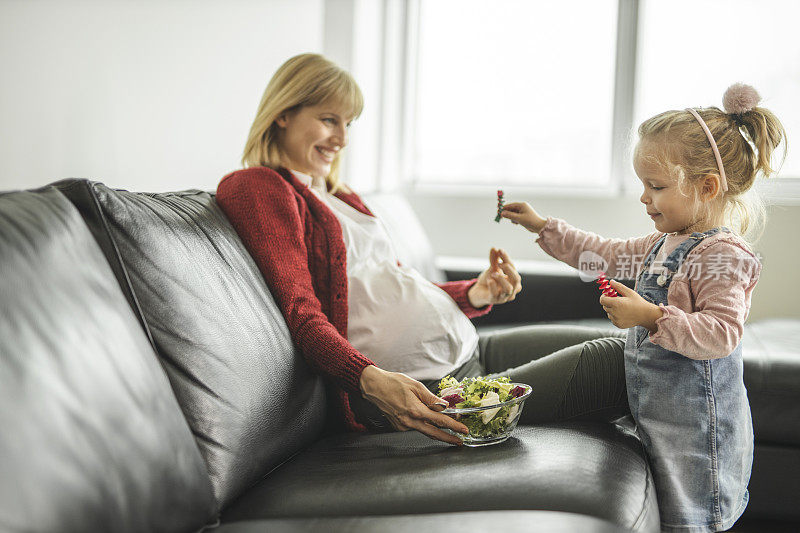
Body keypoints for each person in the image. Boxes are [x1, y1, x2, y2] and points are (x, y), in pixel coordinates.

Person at [216, 53, 628, 447]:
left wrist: (474, 293)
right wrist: (368, 377)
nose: (341, 138)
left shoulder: (336, 193)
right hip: (428, 386)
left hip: (471, 349)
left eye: (348, 123)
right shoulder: (259, 186)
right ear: (283, 113)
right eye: (328, 120)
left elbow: (389, 287)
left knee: (634, 342)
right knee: (618, 360)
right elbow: (300, 312)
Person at [501, 83, 786, 532]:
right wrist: (542, 226)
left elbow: (721, 333)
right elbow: (602, 253)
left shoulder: (723, 256)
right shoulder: (661, 243)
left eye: (655, 186)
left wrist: (651, 317)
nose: (643, 197)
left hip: (697, 430)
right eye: (642, 185)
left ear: (707, 187)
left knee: (692, 517)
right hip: (657, 417)